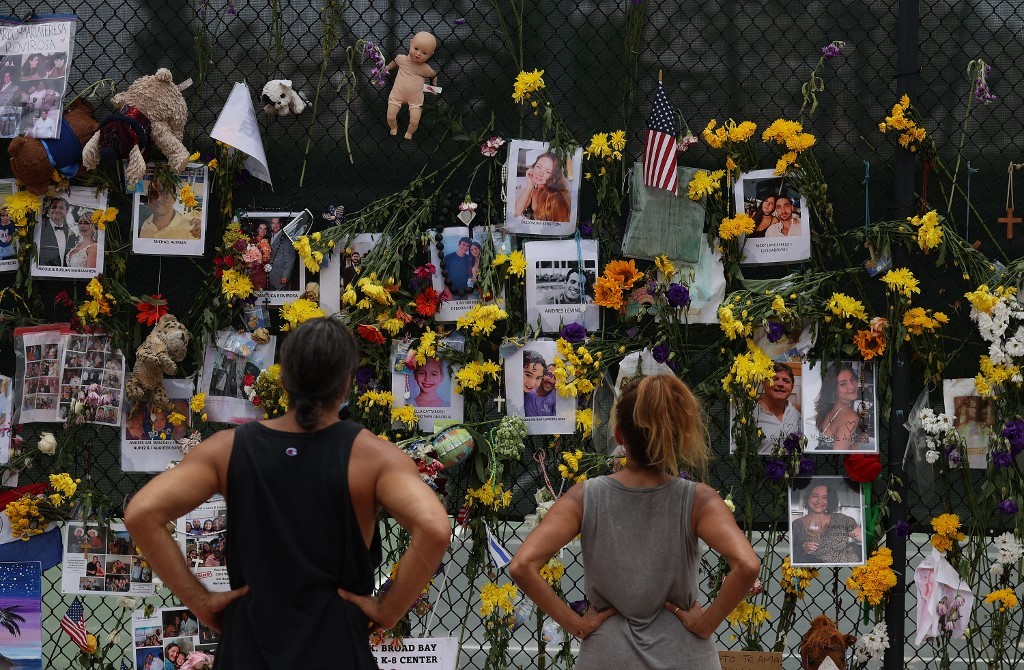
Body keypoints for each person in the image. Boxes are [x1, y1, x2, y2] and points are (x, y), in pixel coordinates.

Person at [124, 317, 451, 667]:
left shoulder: (226, 450)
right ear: (346, 385)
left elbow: (142, 513)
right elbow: (434, 528)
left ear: (282, 380)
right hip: (336, 645)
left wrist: (201, 602)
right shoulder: (375, 458)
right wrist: (389, 610)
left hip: (250, 644)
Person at [510, 376, 759, 669]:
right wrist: (706, 624)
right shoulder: (698, 500)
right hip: (684, 655)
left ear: (619, 434)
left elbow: (521, 566)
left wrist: (576, 624)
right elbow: (748, 565)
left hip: (608, 655)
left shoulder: (586, 496)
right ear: (676, 435)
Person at [791, 481, 861, 564]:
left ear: (830, 501)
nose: (819, 501)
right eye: (815, 496)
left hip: (848, 567)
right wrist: (802, 548)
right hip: (817, 571)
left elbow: (864, 539)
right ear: (808, 497)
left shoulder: (843, 520)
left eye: (825, 497)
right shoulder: (796, 525)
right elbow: (791, 549)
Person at [385, 31, 438, 139]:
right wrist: (386, 69)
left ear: (431, 54)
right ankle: (393, 127)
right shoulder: (401, 59)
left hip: (415, 100)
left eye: (424, 53)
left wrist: (433, 88)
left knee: (414, 121)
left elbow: (433, 76)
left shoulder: (425, 68)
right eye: (416, 49)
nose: (418, 54)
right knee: (390, 116)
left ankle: (409, 133)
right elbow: (393, 63)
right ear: (411, 43)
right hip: (397, 95)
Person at [814, 364, 868, 451]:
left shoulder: (829, 409)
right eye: (843, 384)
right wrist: (856, 445)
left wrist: (856, 441)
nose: (852, 386)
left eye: (853, 379)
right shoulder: (850, 416)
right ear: (833, 389)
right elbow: (839, 456)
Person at [755, 363, 801, 454]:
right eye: (775, 379)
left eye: (786, 381)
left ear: (791, 387)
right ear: (763, 383)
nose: (780, 384)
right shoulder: (750, 412)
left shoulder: (798, 412)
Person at [513, 153, 571, 222]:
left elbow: (560, 226)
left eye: (547, 172)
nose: (540, 174)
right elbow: (516, 213)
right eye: (538, 167)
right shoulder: (533, 189)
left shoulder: (554, 196)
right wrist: (530, 185)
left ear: (554, 175)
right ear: (533, 167)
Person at [37, 197, 77, 267]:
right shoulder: (39, 230)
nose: (57, 210)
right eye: (54, 207)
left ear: (66, 211)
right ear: (49, 211)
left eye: (61, 207)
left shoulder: (71, 235)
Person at [267, 217, 297, 289]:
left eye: (277, 223)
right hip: (270, 276)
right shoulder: (269, 237)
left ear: (280, 224)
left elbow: (290, 259)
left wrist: (285, 276)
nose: (275, 225)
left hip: (280, 276)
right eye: (273, 223)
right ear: (270, 225)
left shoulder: (286, 239)